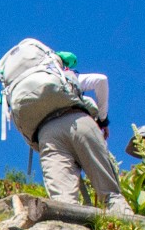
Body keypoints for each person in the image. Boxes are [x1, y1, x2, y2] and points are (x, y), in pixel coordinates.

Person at [31, 51, 130, 211]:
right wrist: (103, 120)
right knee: (111, 196)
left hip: (46, 134)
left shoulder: (26, 90)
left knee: (63, 204)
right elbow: (101, 80)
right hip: (79, 121)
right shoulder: (63, 76)